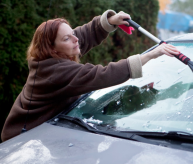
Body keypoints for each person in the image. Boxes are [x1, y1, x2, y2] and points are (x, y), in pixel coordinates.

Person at [1, 9, 179, 141]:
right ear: (52, 48)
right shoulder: (55, 72)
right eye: (66, 38)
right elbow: (101, 75)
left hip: (46, 131)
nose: (75, 39)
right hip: (22, 140)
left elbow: (82, 35)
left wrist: (110, 21)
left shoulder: (50, 56)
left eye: (71, 33)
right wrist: (150, 55)